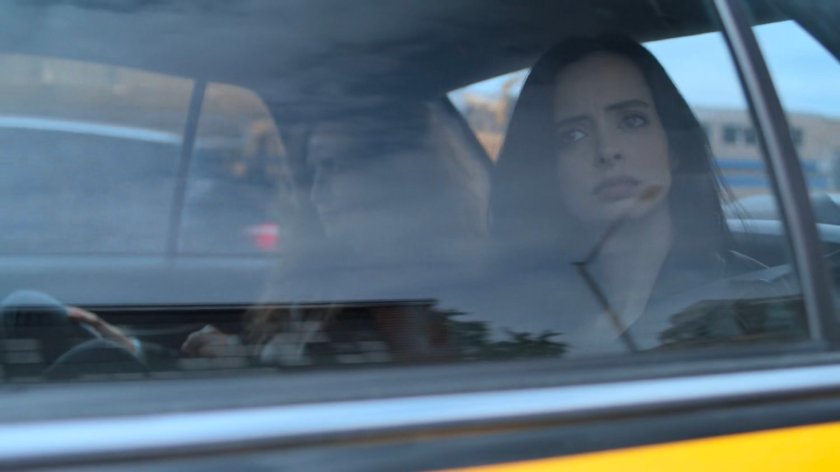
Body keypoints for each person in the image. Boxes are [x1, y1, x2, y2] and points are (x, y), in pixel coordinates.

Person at [487, 35, 767, 354]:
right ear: (547, 170)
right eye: (574, 135)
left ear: (673, 147)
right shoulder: (514, 323)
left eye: (632, 121)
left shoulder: (743, 304)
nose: (607, 151)